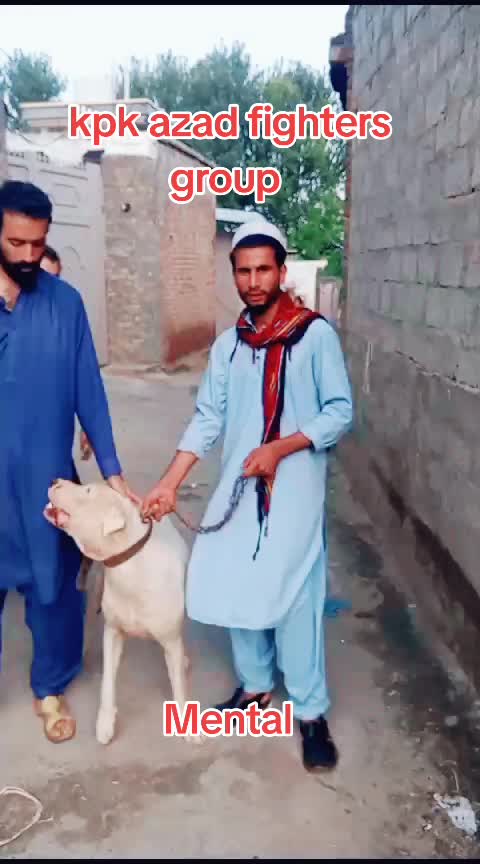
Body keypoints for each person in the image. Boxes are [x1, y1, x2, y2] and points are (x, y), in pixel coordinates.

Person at [142, 220, 353, 771]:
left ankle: (310, 711)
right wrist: (169, 482)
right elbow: (207, 420)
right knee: (234, 575)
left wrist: (281, 447)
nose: (254, 281)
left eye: (264, 270)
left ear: (281, 271)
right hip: (241, 485)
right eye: (244, 271)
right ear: (233, 274)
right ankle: (256, 686)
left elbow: (339, 412)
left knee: (296, 594)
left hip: (295, 490)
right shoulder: (228, 347)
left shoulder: (315, 337)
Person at [0, 179, 139, 743]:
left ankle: (50, 686)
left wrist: (112, 471)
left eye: (38, 243)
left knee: (53, 586)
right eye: (16, 243)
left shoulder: (65, 305)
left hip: (45, 479)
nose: (29, 255)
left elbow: (90, 393)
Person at [40, 244, 93, 462]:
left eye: (55, 279)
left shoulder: (64, 319)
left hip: (54, 435)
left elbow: (82, 377)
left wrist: (88, 423)